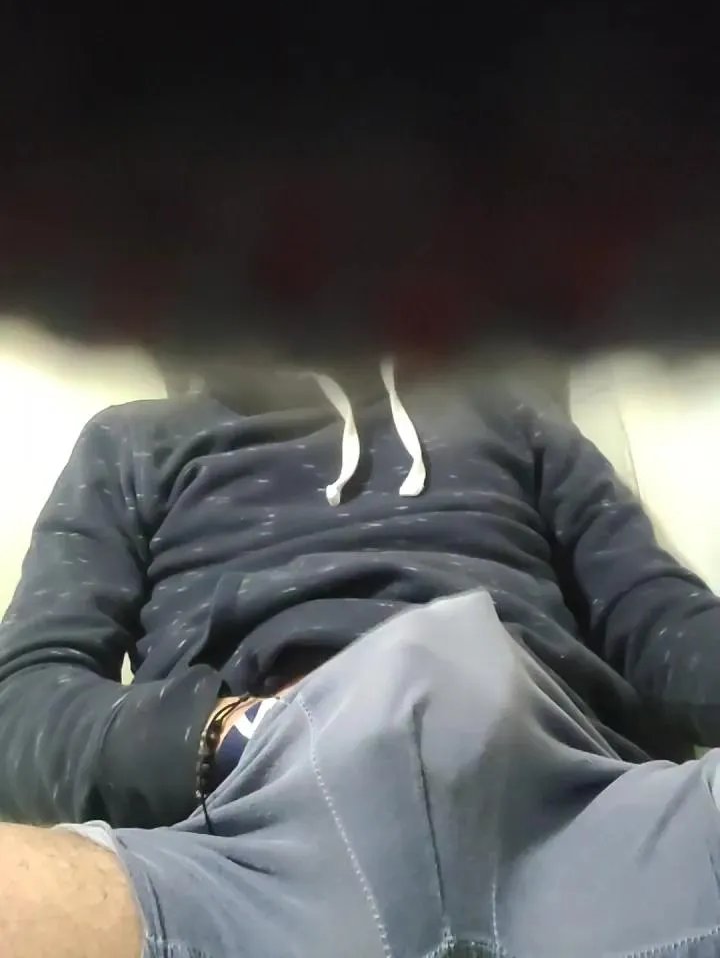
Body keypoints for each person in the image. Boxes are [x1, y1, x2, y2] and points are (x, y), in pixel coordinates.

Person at [1, 358, 720, 958]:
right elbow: (22, 701)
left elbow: (659, 617)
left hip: (578, 811)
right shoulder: (129, 441)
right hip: (247, 852)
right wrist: (232, 736)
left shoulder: (513, 411)